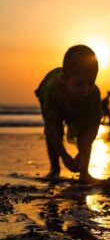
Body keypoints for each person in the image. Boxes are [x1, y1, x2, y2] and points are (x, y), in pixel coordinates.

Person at [35, 45, 102, 184]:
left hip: (81, 109)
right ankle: (54, 169)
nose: (85, 90)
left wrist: (82, 152)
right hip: (53, 97)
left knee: (84, 130)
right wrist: (65, 156)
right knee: (55, 129)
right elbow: (51, 129)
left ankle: (84, 173)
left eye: (90, 83)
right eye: (79, 84)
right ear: (65, 80)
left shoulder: (93, 93)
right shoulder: (52, 90)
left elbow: (93, 127)